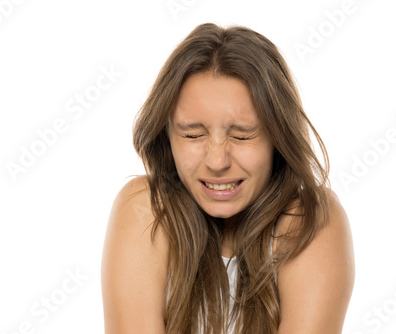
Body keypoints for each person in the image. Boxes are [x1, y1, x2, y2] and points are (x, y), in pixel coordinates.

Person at [101, 23, 355, 334]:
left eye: (243, 136)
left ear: (278, 137)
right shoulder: (145, 208)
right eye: (193, 134)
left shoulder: (312, 220)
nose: (217, 161)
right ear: (167, 135)